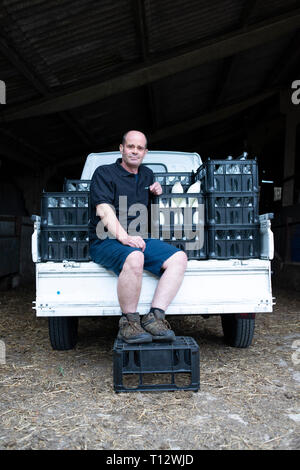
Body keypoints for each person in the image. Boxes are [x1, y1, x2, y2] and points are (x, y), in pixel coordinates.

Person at [89, 130, 188, 344]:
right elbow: (104, 210)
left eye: (140, 148)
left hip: (137, 238)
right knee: (135, 256)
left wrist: (157, 191)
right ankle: (129, 323)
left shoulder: (147, 174)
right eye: (131, 146)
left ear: (145, 152)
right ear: (121, 148)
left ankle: (155, 317)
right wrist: (124, 237)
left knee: (179, 258)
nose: (135, 151)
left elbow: (150, 210)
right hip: (105, 240)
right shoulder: (104, 173)